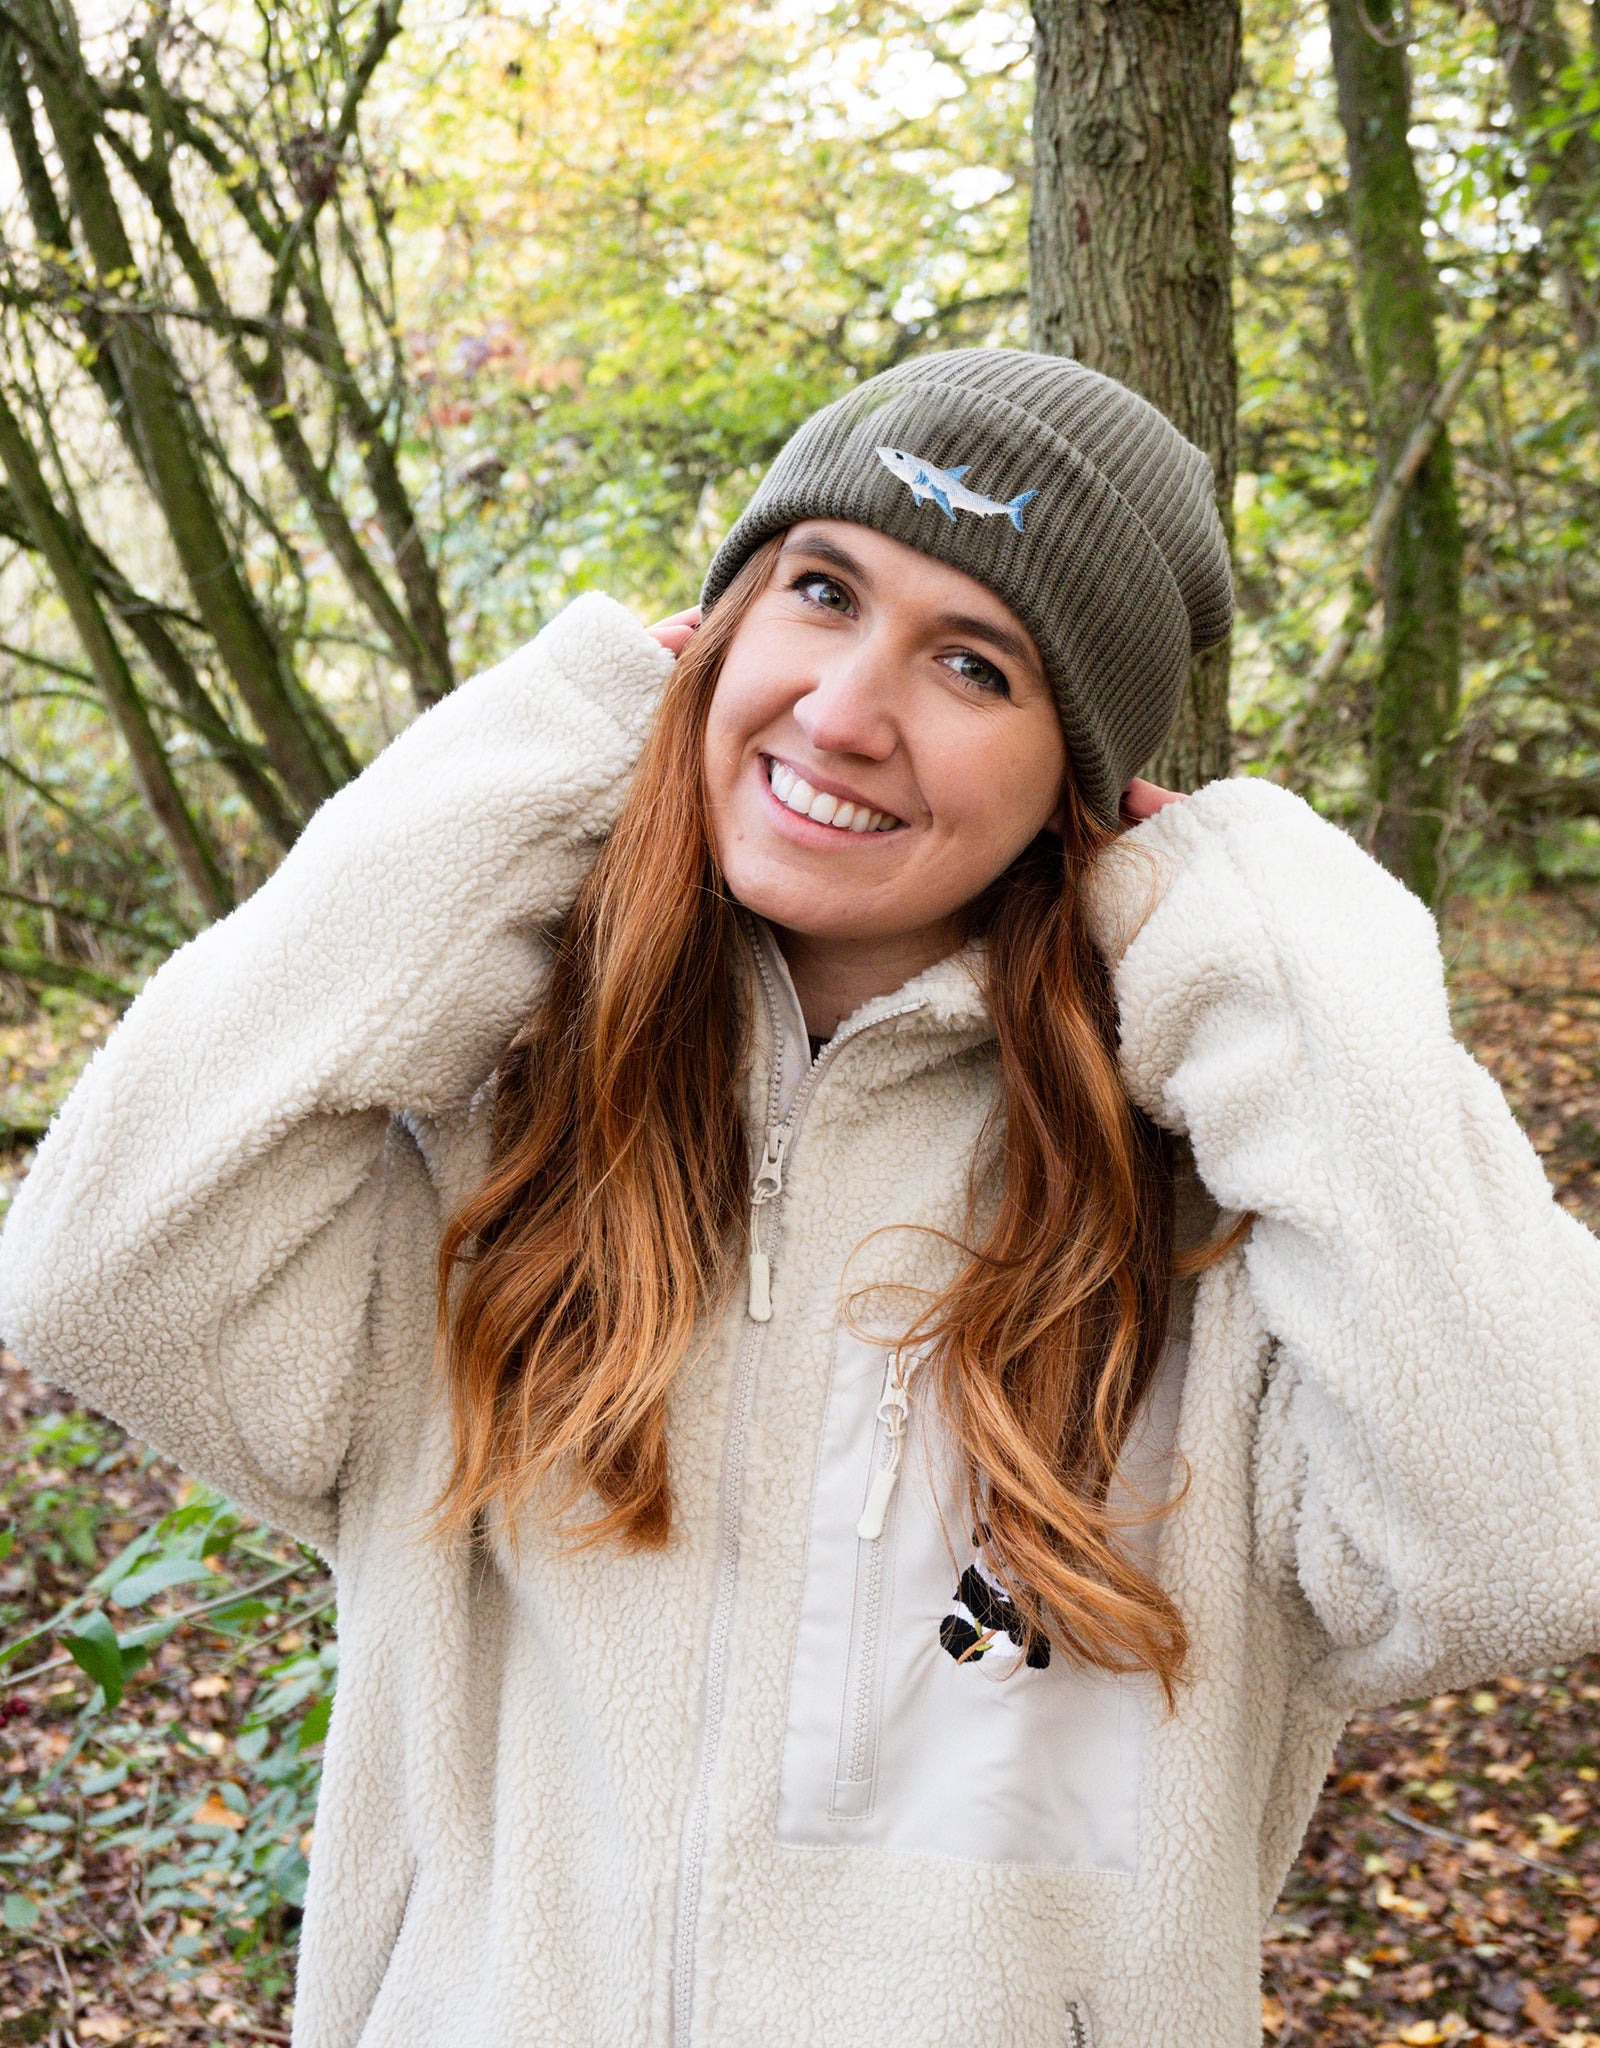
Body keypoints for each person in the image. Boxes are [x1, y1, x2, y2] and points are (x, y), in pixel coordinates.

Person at [2, 349, 1597, 2048]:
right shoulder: (493, 1149)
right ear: (715, 635)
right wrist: (577, 742)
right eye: (820, 592)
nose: (845, 709)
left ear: (1084, 781)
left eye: (974, 665)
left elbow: (1528, 1542)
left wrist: (1258, 933)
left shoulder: (1213, 1228)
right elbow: (104, 1277)